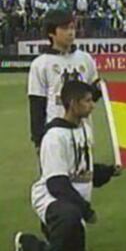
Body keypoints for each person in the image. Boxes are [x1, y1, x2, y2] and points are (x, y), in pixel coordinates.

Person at [15, 80, 116, 251]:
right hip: (53, 199)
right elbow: (56, 184)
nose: (92, 106)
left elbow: (84, 169)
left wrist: (109, 171)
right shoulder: (55, 137)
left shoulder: (84, 129)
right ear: (72, 104)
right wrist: (85, 210)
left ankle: (28, 245)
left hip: (72, 203)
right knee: (69, 217)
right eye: (87, 101)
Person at [28, 9, 101, 153]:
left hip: (83, 132)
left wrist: (99, 89)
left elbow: (93, 96)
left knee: (84, 175)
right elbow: (37, 104)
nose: (70, 32)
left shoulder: (85, 59)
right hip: (55, 135)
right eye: (64, 28)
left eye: (73, 28)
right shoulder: (41, 63)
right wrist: (38, 140)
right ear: (51, 33)